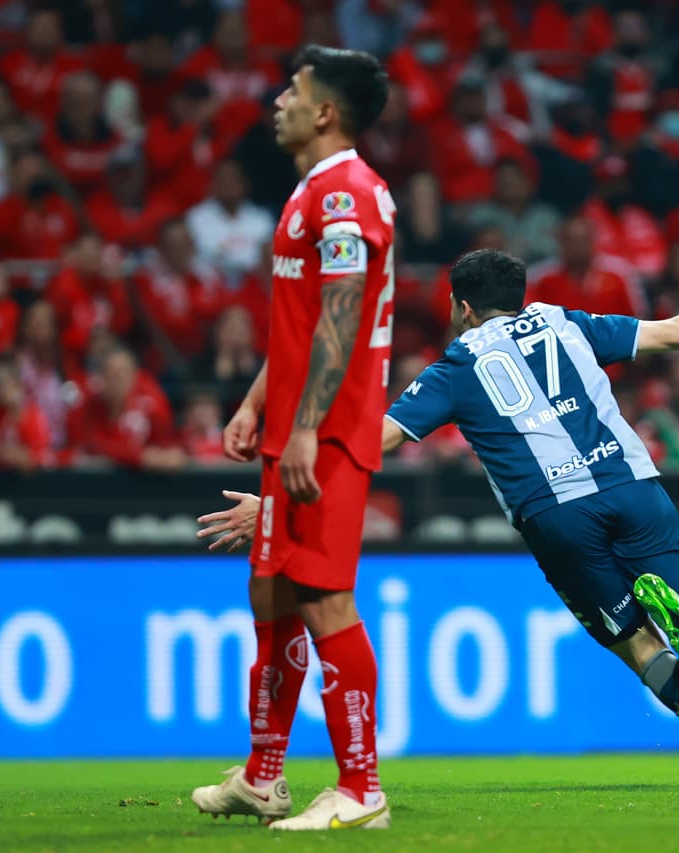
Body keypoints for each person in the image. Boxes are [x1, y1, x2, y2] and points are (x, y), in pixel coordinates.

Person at [199, 249, 679, 785]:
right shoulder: (566, 323)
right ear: (520, 294)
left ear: (461, 307)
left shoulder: (453, 368)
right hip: (631, 485)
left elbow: (375, 445)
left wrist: (276, 503)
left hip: (554, 516)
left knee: (642, 652)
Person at [189, 45, 396, 832]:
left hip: (329, 434)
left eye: (293, 89)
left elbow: (343, 308)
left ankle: (361, 789)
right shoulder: (314, 191)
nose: (276, 99)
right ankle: (263, 774)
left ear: (325, 112)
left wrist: (305, 424)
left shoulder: (345, 193)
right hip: (293, 429)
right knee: (271, 596)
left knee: (325, 599)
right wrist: (255, 403)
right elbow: (303, 323)